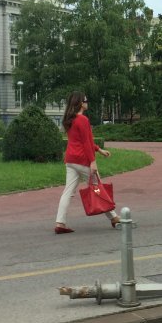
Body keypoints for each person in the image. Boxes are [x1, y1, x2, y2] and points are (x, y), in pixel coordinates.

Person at [54, 91, 119, 234]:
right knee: (98, 187)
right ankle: (114, 218)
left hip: (70, 160)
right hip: (82, 160)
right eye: (86, 100)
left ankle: (60, 223)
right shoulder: (82, 120)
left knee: (68, 192)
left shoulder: (70, 119)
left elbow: (84, 140)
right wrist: (93, 162)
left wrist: (99, 149)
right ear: (80, 103)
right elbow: (85, 142)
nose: (87, 102)